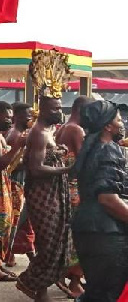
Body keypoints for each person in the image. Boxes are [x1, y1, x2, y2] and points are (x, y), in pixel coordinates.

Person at [16, 95, 72, 301]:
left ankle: (42, 290)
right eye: (55, 109)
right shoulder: (39, 133)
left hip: (54, 193)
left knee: (55, 240)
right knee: (48, 244)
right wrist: (66, 169)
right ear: (44, 110)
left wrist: (58, 152)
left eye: (59, 107)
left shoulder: (49, 131)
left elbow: (29, 158)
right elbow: (35, 168)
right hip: (42, 197)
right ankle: (30, 282)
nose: (59, 112)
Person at [71, 100, 128, 301]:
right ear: (107, 126)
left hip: (89, 229)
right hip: (105, 233)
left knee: (96, 291)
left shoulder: (91, 149)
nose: (122, 124)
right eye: (119, 120)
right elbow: (107, 198)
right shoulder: (109, 150)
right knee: (108, 293)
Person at [55, 95, 93, 298]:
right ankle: (75, 281)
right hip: (74, 189)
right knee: (77, 236)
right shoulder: (76, 130)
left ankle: (64, 277)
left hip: (64, 188)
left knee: (66, 234)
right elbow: (83, 162)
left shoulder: (63, 127)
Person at [0, 101, 25, 283]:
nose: (11, 121)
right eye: (8, 118)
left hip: (3, 184)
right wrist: (17, 146)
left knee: (4, 225)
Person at [5, 102, 35, 267]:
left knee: (23, 224)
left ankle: (30, 256)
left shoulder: (23, 133)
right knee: (14, 224)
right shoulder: (14, 135)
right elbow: (9, 163)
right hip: (14, 184)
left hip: (22, 184)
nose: (30, 117)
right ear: (16, 116)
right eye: (27, 114)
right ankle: (5, 256)